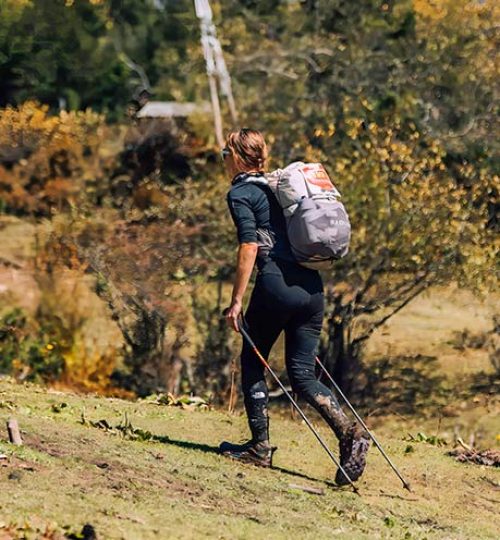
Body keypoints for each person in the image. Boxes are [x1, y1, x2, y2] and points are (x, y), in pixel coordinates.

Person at [219, 128, 370, 485]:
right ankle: (349, 433)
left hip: (275, 284)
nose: (222, 160)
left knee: (253, 361)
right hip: (311, 289)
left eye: (225, 153)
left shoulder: (242, 192)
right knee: (303, 375)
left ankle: (260, 447)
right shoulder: (279, 188)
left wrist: (236, 300)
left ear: (239, 157)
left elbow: (249, 246)